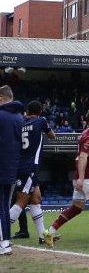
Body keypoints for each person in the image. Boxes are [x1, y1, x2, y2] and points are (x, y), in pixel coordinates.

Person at [46, 107, 89, 245]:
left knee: (76, 208)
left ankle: (49, 232)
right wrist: (81, 177)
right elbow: (83, 158)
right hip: (88, 177)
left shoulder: (85, 134)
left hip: (83, 176)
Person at [9, 100, 55, 245]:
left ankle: (43, 236)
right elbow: (52, 135)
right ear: (40, 111)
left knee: (36, 199)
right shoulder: (41, 120)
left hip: (20, 164)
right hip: (30, 166)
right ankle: (2, 230)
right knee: (21, 201)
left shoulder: (20, 122)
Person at [0, 85, 24, 257]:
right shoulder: (19, 117)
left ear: (1, 98)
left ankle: (4, 243)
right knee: (4, 205)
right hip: (12, 167)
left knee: (1, 207)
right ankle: (5, 241)